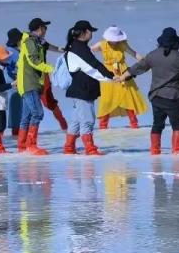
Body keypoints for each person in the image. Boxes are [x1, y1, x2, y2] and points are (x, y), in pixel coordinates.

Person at [126, 27, 179, 155]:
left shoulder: (152, 55)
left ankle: (155, 150)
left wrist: (120, 77)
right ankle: (177, 150)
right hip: (173, 97)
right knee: (177, 125)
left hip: (156, 97)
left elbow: (137, 68)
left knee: (157, 124)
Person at [63, 21, 116, 155]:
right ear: (84, 32)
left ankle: (69, 147)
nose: (92, 33)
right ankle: (90, 148)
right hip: (83, 90)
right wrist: (110, 76)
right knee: (87, 119)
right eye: (90, 31)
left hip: (79, 89)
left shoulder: (75, 46)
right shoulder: (80, 48)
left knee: (76, 120)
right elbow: (94, 65)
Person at [94, 25, 148, 129]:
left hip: (123, 73)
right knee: (107, 99)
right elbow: (89, 52)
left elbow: (134, 54)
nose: (114, 41)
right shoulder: (101, 44)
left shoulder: (122, 44)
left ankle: (134, 123)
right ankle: (103, 125)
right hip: (107, 74)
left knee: (128, 97)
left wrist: (145, 63)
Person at [16, 18, 56, 155]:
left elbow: (49, 46)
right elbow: (34, 61)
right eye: (45, 28)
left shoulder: (37, 41)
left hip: (32, 83)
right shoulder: (30, 42)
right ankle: (31, 145)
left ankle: (22, 146)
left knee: (26, 116)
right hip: (28, 83)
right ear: (39, 29)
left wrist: (63, 50)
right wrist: (50, 68)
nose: (46, 30)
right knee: (37, 113)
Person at [5, 28, 23, 136]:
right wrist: (16, 77)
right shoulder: (11, 52)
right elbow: (9, 68)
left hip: (16, 82)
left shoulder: (14, 50)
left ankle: (17, 132)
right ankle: (16, 133)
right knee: (15, 108)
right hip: (14, 83)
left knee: (18, 108)